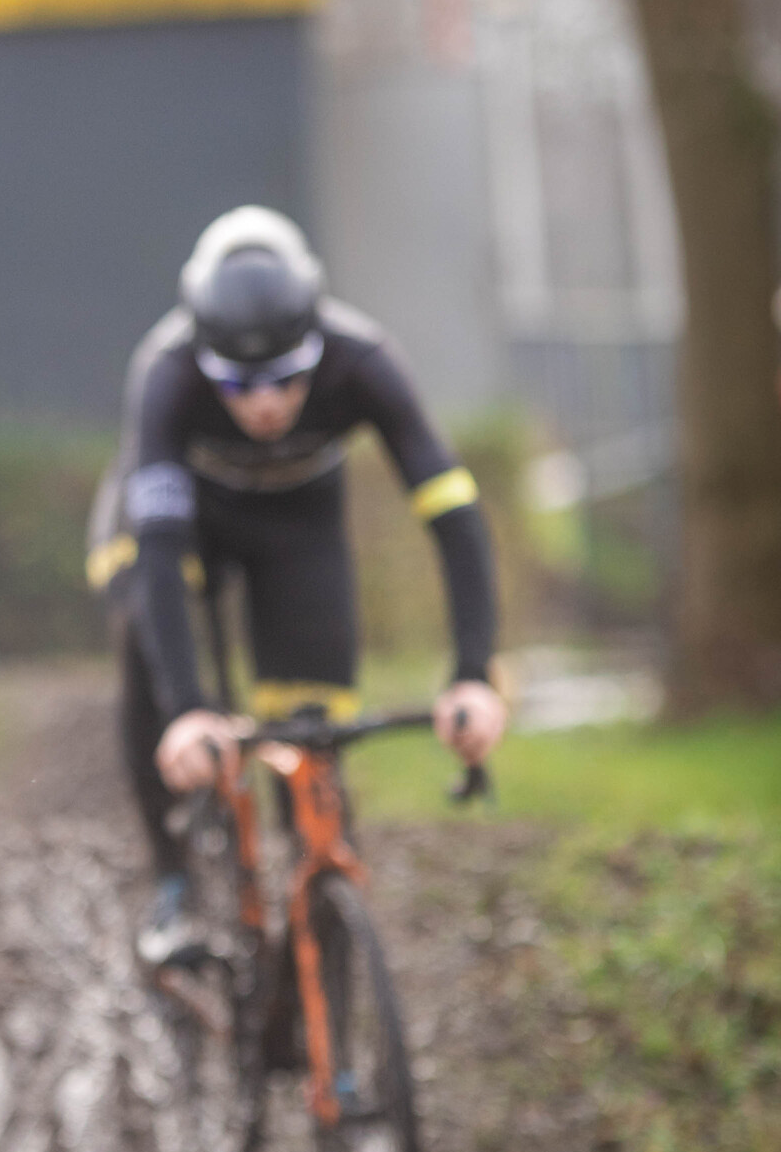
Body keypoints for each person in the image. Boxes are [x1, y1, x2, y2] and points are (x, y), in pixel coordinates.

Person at [85, 206, 508, 962]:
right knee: (146, 626)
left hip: (297, 528)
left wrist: (474, 675)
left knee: (312, 723)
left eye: (286, 379)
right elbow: (157, 546)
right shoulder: (167, 373)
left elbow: (455, 517)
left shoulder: (365, 359)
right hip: (181, 525)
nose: (266, 404)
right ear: (207, 364)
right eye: (240, 385)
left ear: (317, 349)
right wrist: (186, 710)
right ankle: (173, 883)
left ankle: (321, 887)